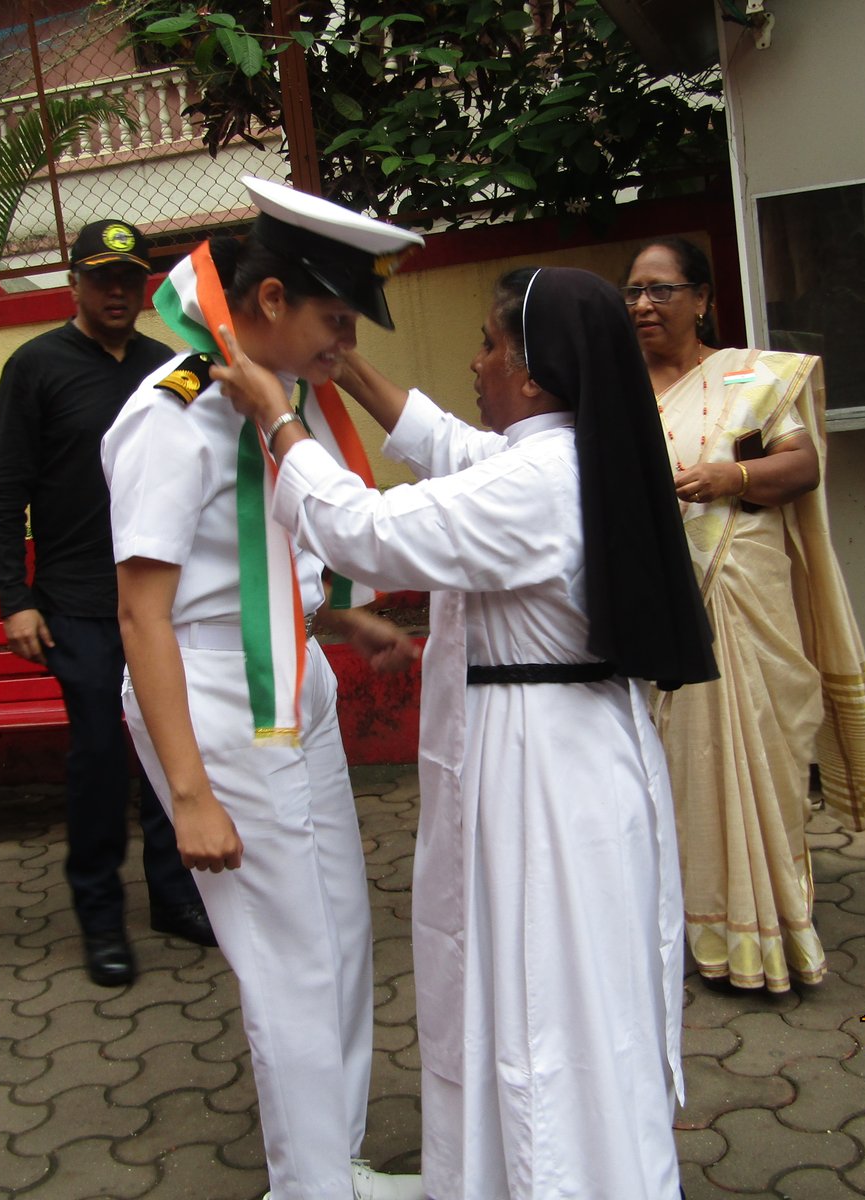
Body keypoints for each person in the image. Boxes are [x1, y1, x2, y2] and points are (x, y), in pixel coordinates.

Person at [213, 266, 718, 1200]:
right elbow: (447, 444)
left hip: (545, 776)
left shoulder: (537, 482)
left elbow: (363, 530)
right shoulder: (566, 453)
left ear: (532, 373)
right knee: (535, 989)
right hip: (559, 752)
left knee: (543, 997)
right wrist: (342, 369)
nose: (475, 362)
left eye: (489, 345)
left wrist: (276, 418)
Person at [102, 177, 425, 1200]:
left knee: (339, 936)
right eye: (337, 322)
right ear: (273, 299)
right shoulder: (172, 415)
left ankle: (336, 1164)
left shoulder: (272, 402)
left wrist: (335, 617)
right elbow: (144, 615)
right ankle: (310, 1188)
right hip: (217, 703)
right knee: (290, 960)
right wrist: (189, 795)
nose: (347, 347)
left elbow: (255, 565)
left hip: (288, 682)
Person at [624, 236, 865, 992]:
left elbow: (803, 464)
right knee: (679, 767)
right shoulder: (612, 387)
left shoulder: (753, 376)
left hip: (746, 588)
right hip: (663, 602)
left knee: (759, 752)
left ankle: (773, 922)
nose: (644, 304)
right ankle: (698, 927)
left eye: (661, 289)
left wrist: (733, 476)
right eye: (634, 292)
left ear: (703, 299)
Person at [0, 219, 214, 989]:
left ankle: (175, 897)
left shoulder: (172, 369)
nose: (118, 290)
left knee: (168, 747)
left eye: (130, 278)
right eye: (102, 277)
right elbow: (5, 492)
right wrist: (15, 599)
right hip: (78, 605)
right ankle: (100, 916)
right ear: (73, 283)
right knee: (101, 761)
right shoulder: (35, 367)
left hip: (161, 600)